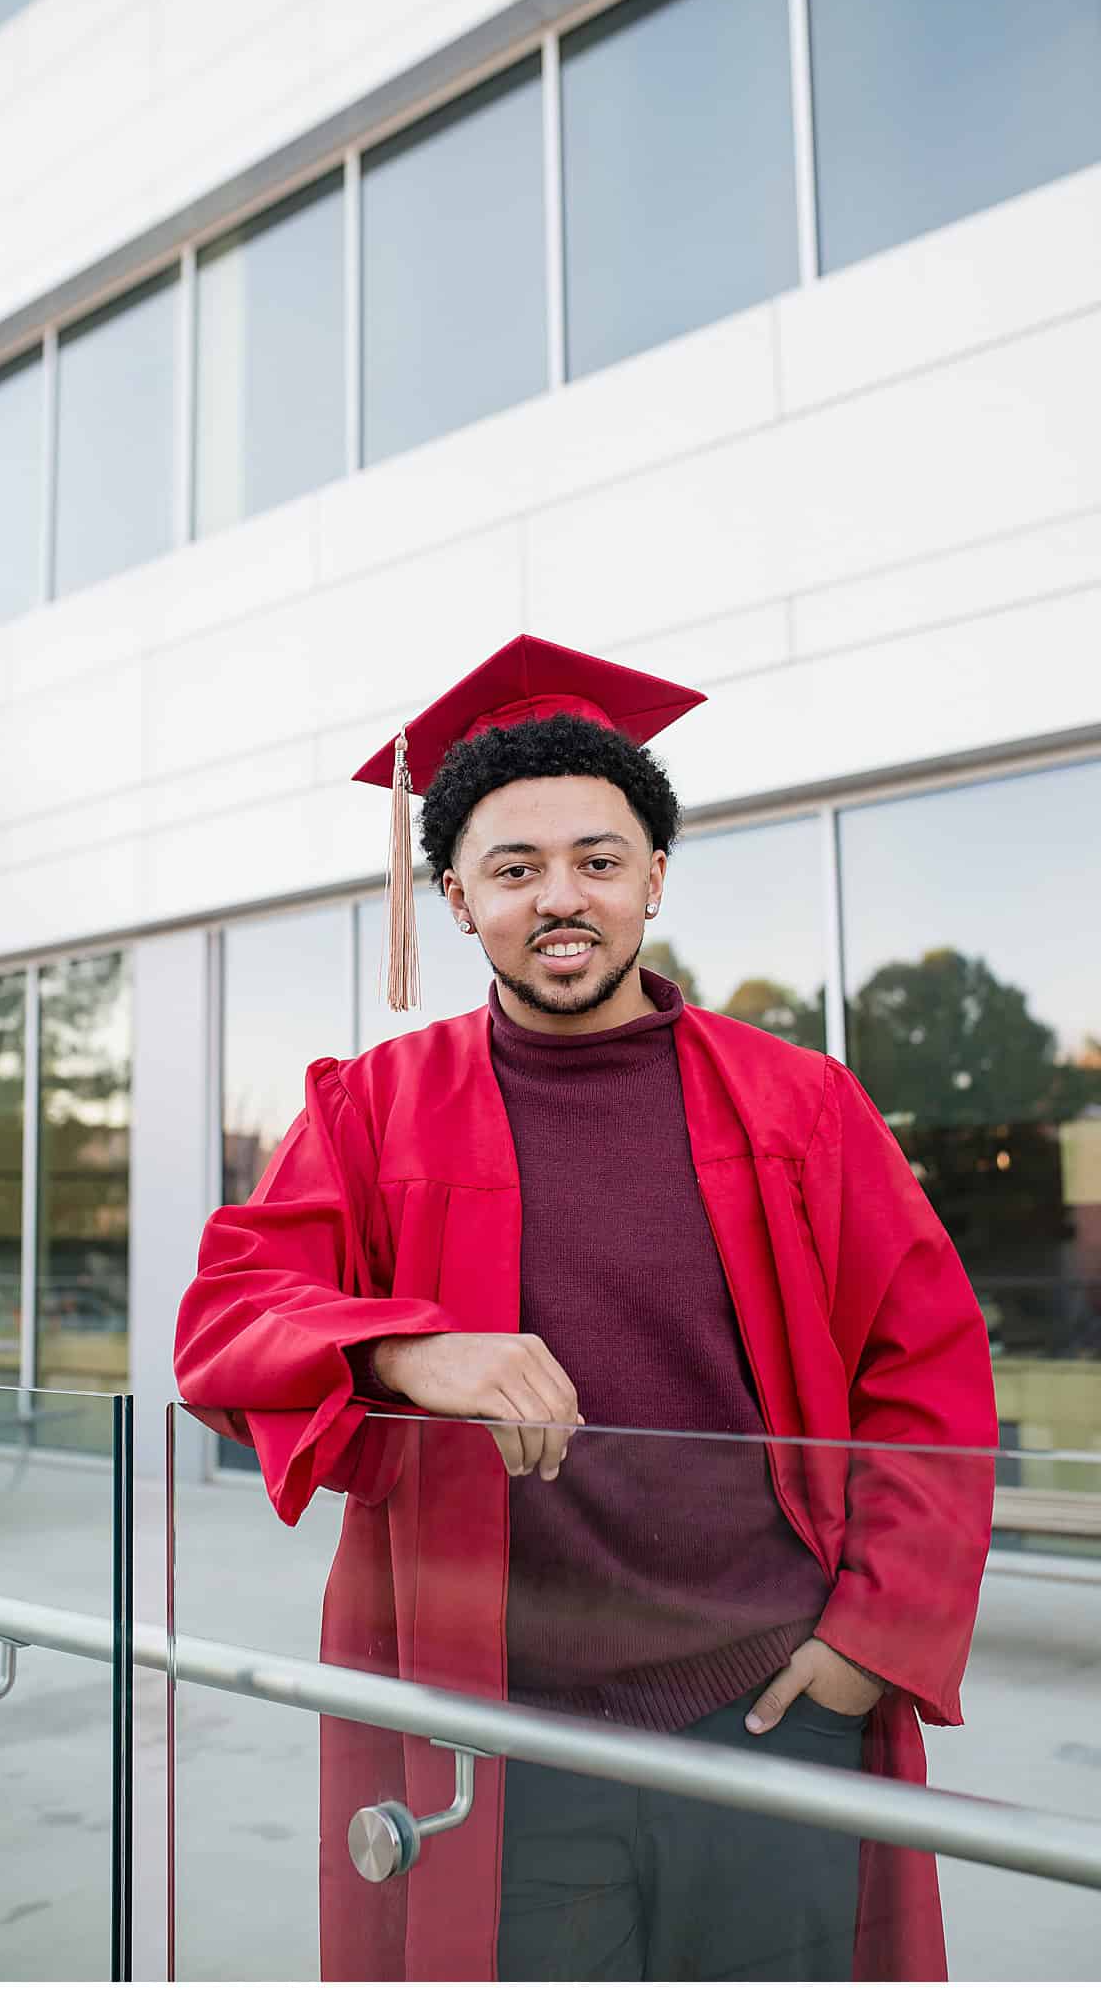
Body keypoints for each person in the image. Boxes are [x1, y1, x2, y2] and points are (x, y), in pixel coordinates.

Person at [174, 635, 999, 1981]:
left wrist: (871, 1637)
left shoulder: (801, 1105)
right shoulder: (369, 1111)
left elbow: (928, 1374)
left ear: (654, 879)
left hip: (772, 1704)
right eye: (514, 869)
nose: (562, 898)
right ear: (455, 898)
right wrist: (402, 1348)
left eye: (599, 861)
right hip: (503, 1731)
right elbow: (224, 1326)